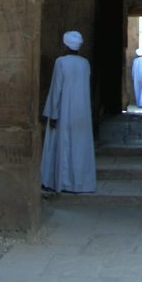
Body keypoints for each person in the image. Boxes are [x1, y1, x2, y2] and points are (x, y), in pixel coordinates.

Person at [40, 31, 96, 193]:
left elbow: (56, 89)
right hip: (81, 111)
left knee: (63, 145)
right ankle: (80, 182)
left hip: (64, 110)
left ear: (65, 44)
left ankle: (62, 182)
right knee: (79, 147)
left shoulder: (61, 62)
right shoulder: (85, 63)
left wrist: (53, 112)